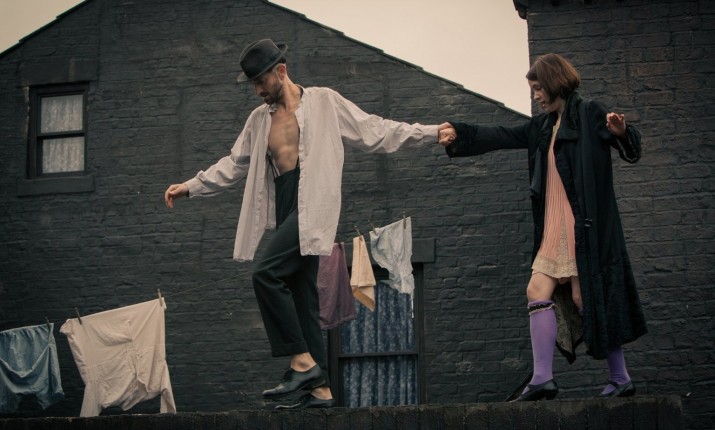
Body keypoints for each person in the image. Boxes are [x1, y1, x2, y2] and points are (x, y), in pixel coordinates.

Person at [164, 39, 452, 410]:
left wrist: (430, 133)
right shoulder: (258, 120)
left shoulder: (325, 102)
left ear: (281, 71)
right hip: (286, 204)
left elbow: (376, 131)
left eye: (261, 81)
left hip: (313, 203)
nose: (257, 90)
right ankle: (322, 391)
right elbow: (234, 164)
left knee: (265, 274)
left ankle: (302, 363)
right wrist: (191, 186)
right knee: (303, 299)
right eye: (253, 84)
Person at [437, 53, 647, 401]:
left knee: (584, 297)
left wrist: (622, 133)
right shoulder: (542, 127)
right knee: (537, 290)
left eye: (538, 88)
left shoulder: (589, 113)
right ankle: (542, 379)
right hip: (553, 226)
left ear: (553, 82)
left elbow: (630, 148)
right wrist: (460, 132)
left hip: (583, 229)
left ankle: (620, 377)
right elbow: (502, 134)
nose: (535, 95)